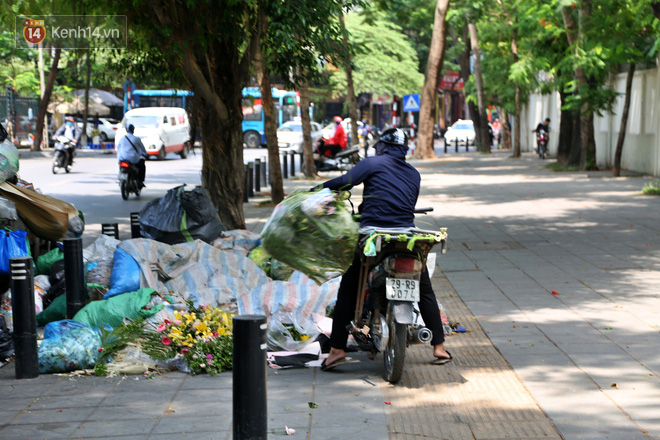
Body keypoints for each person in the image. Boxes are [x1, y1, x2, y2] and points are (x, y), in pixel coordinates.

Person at [316, 128, 452, 371]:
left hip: (373, 238)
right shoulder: (414, 173)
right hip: (405, 238)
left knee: (349, 287)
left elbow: (346, 182)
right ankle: (439, 347)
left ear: (383, 147)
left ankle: (336, 350)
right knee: (424, 289)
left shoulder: (372, 163)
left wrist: (319, 189)